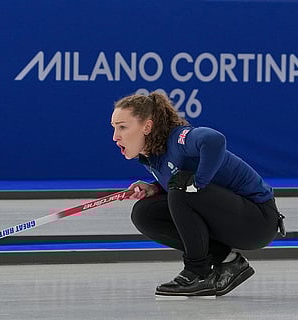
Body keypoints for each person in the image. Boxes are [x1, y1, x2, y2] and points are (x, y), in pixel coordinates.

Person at [111, 92, 285, 297]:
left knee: (182, 187)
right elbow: (184, 186)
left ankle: (197, 272)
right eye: (113, 128)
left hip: (257, 221)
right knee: (145, 212)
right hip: (232, 217)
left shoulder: (178, 138)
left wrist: (196, 183)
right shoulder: (154, 158)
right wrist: (155, 188)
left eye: (122, 127)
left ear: (147, 127)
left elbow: (214, 140)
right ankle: (228, 261)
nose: (115, 136)